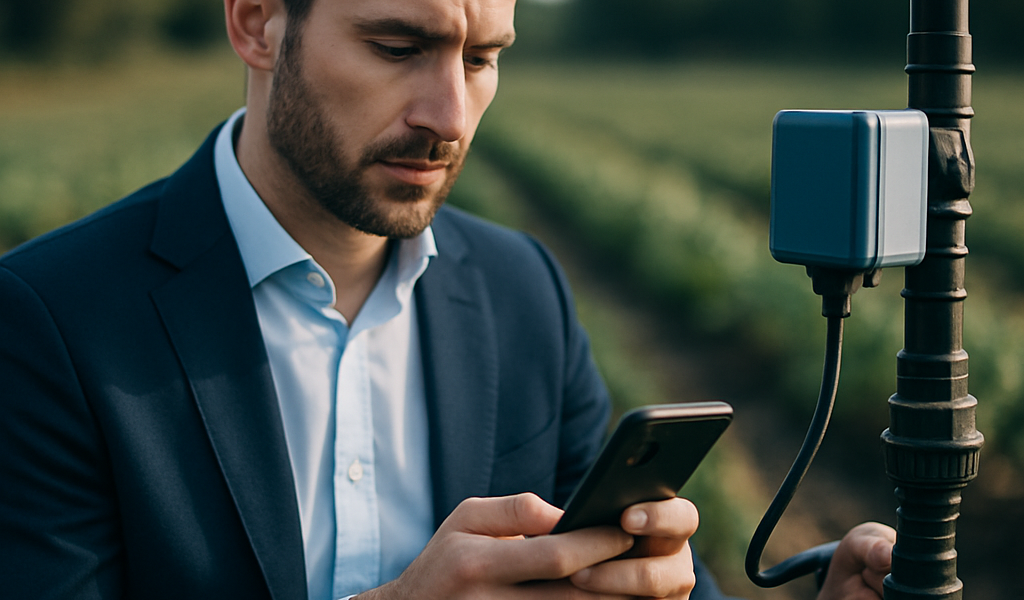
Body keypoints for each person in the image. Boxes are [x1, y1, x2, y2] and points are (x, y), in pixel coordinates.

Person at [0, 0, 896, 598]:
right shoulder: (50, 318)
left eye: (482, 57)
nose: (451, 114)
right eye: (399, 48)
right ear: (258, 22)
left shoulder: (522, 292)